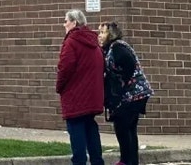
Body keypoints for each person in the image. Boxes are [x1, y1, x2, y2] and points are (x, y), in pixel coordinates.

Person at [99, 22, 153, 165]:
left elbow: (128, 67)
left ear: (111, 35)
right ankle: (130, 161)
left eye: (103, 33)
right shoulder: (110, 49)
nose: (99, 36)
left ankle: (126, 160)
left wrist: (120, 86)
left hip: (134, 94)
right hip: (133, 94)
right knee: (129, 128)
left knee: (122, 126)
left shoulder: (118, 48)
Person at [56, 9, 105, 165]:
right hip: (92, 96)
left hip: (75, 96)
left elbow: (65, 68)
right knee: (90, 128)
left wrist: (60, 87)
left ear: (74, 23)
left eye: (66, 21)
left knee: (76, 132)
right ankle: (97, 161)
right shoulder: (94, 42)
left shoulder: (72, 42)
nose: (64, 24)